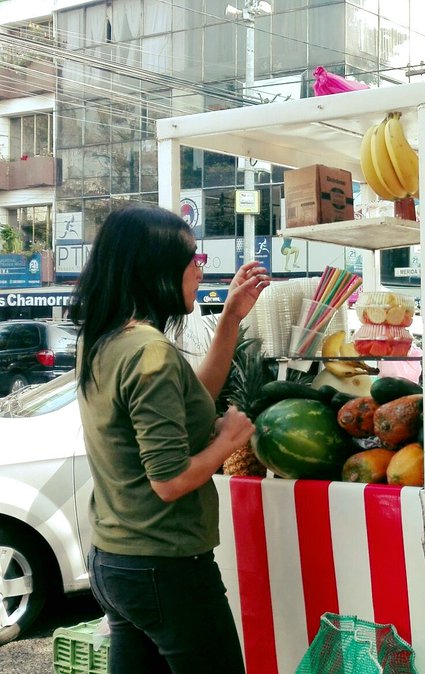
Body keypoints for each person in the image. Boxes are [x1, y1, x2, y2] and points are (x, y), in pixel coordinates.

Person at [70, 205, 269, 673]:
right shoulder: (149, 351)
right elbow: (170, 481)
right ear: (156, 268)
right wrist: (228, 439)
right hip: (166, 566)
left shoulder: (103, 336)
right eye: (193, 259)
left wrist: (230, 320)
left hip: (116, 560)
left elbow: (190, 400)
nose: (200, 269)